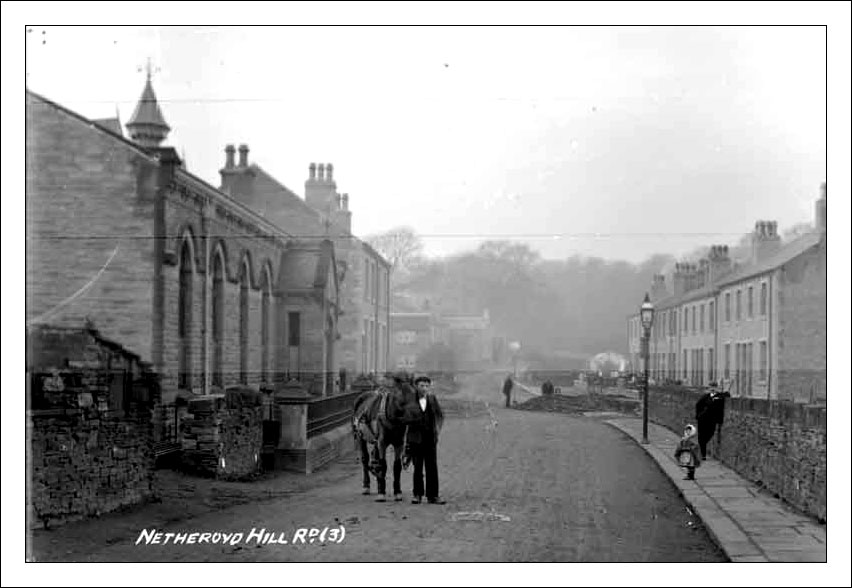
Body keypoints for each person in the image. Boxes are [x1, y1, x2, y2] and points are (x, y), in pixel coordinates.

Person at [406, 375, 446, 505]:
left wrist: (437, 431)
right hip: (415, 438)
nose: (424, 388)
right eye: (422, 386)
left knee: (432, 467)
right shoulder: (410, 401)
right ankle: (417, 494)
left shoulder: (432, 399)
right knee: (417, 467)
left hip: (430, 438)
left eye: (427, 386)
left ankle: (433, 496)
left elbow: (440, 415)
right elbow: (405, 418)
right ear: (416, 387)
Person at [695, 387, 731, 459]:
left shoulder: (719, 396)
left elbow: (725, 395)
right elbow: (698, 405)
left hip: (711, 420)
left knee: (709, 434)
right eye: (712, 390)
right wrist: (698, 415)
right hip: (702, 419)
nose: (713, 391)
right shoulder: (705, 397)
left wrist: (726, 394)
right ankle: (703, 454)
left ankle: (702, 448)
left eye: (714, 390)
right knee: (702, 436)